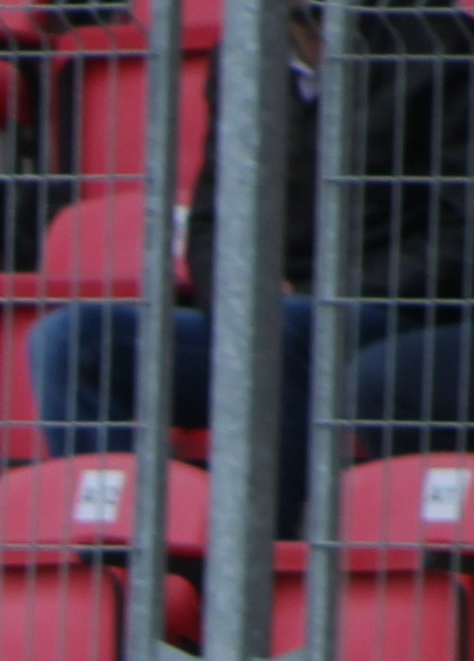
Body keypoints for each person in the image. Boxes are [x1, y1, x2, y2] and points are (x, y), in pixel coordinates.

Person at [28, 0, 474, 516]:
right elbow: (210, 219)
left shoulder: (438, 44)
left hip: (396, 312)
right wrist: (236, 298)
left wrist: (317, 297)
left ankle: (254, 553)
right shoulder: (241, 55)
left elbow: (460, 233)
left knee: (280, 329)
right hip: (273, 315)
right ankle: (142, 561)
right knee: (72, 342)